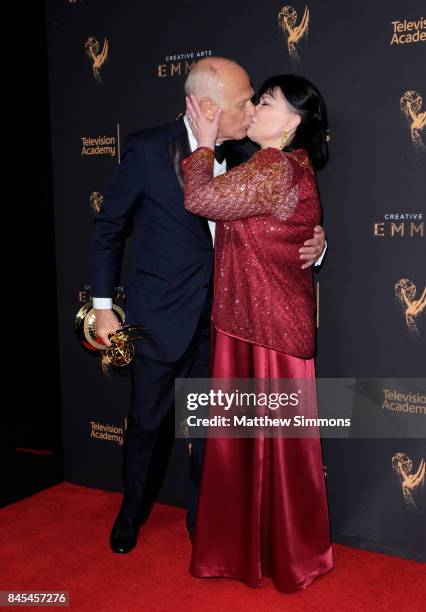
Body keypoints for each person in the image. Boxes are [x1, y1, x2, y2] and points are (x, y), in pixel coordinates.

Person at [90, 58, 326, 554]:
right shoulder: (149, 149)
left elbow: (286, 217)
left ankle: (207, 521)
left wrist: (317, 242)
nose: (251, 108)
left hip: (224, 323)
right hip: (160, 318)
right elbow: (109, 229)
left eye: (258, 101)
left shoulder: (252, 155)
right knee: (149, 424)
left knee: (214, 431)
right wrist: (104, 306)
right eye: (245, 102)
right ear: (209, 109)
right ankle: (131, 514)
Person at [182, 74, 333, 593]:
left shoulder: (273, 167)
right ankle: (277, 551)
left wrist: (202, 145)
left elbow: (201, 197)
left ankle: (278, 553)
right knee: (261, 450)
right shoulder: (287, 167)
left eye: (265, 103)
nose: (253, 110)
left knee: (268, 452)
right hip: (257, 326)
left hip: (265, 336)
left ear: (292, 123)